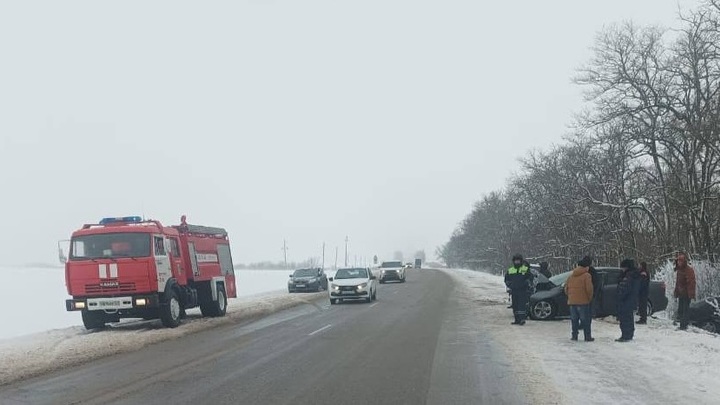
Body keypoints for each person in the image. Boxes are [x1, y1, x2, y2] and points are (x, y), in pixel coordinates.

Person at [565, 257, 594, 341]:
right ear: (586, 267)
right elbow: (589, 289)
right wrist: (589, 298)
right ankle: (587, 336)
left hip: (572, 301)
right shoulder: (587, 275)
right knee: (585, 320)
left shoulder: (571, 276)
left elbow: (566, 288)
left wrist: (570, 296)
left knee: (574, 320)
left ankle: (574, 336)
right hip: (583, 301)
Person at [616, 259, 640, 342]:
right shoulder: (634, 275)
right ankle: (628, 334)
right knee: (629, 318)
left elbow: (625, 288)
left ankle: (625, 335)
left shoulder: (629, 276)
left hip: (626, 300)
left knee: (625, 318)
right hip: (631, 300)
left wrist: (620, 296)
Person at [505, 254, 532, 325]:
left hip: (523, 290)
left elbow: (530, 278)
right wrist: (510, 285)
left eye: (518, 261)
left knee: (522, 305)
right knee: (515, 305)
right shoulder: (510, 270)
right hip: (514, 290)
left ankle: (522, 319)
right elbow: (506, 279)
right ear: (513, 261)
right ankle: (516, 319)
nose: (517, 262)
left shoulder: (525, 268)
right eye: (516, 261)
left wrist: (526, 283)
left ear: (521, 261)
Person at [674, 252, 697, 331]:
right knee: (680, 310)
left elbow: (691, 282)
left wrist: (690, 293)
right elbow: (677, 282)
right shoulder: (679, 270)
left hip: (687, 293)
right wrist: (676, 291)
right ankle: (682, 324)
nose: (679, 262)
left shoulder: (689, 270)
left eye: (680, 261)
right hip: (681, 293)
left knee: (685, 310)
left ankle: (683, 326)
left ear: (684, 262)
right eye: (678, 261)